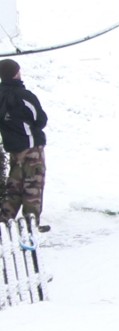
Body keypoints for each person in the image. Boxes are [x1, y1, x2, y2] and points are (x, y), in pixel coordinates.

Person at [0, 59, 50, 230]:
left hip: (13, 149)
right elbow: (40, 119)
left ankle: (4, 224)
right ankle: (31, 226)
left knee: (13, 187)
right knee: (33, 186)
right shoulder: (24, 95)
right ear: (16, 73)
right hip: (31, 149)